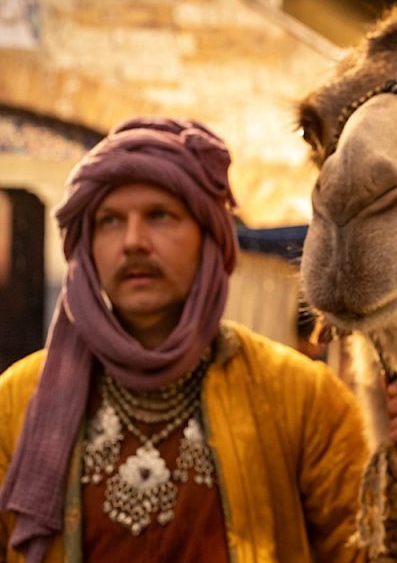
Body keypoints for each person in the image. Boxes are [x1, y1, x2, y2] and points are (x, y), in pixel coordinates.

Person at [0, 118, 369, 562]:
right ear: (86, 247)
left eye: (160, 216)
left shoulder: (300, 397)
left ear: (209, 238)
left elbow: (371, 550)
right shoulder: (17, 401)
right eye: (110, 221)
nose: (133, 242)